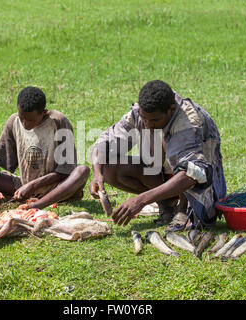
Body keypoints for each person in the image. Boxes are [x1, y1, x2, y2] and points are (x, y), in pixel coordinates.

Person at [89, 80, 226, 231]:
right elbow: (104, 143)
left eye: (154, 120)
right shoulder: (141, 113)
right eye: (145, 118)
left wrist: (141, 200)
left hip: (196, 187)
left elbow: (193, 174)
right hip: (164, 175)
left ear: (171, 110)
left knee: (182, 161)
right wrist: (97, 175)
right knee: (107, 167)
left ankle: (183, 209)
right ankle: (167, 205)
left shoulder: (188, 123)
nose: (148, 124)